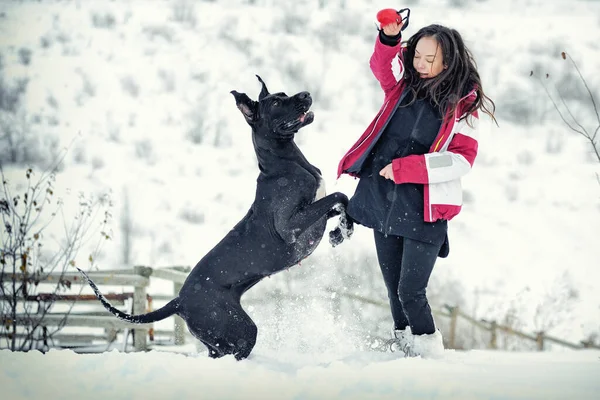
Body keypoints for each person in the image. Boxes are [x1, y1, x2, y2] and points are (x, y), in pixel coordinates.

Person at [337, 12, 496, 358]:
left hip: (425, 209)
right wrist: (390, 39)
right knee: (394, 291)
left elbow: (461, 160)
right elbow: (383, 66)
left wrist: (408, 169)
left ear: (448, 61)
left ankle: (430, 356)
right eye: (417, 56)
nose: (421, 64)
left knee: (411, 291)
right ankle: (404, 352)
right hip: (383, 199)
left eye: (430, 59)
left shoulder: (463, 107)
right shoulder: (401, 85)